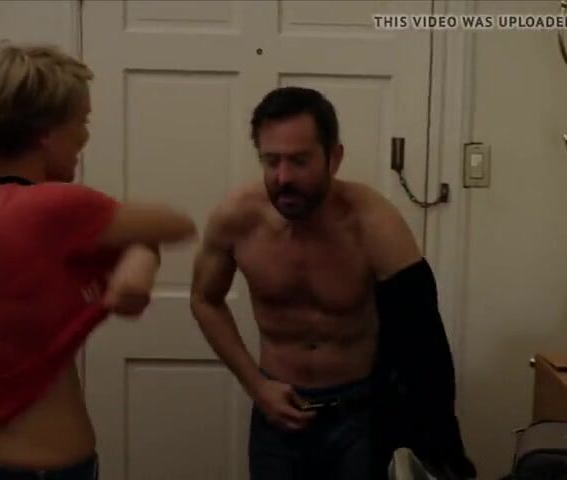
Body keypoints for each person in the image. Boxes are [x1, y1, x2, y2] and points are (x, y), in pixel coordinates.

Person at [190, 86, 475, 479]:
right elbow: (204, 300)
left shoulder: (372, 221)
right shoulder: (237, 219)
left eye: (299, 161)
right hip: (277, 412)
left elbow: (422, 335)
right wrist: (256, 385)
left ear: (334, 158)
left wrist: (441, 446)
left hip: (359, 415)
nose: (283, 177)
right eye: (271, 161)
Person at [0, 44, 196, 479]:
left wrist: (137, 259)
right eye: (80, 122)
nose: (84, 137)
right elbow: (175, 224)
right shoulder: (50, 208)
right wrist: (141, 256)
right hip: (40, 473)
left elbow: (130, 240)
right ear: (45, 131)